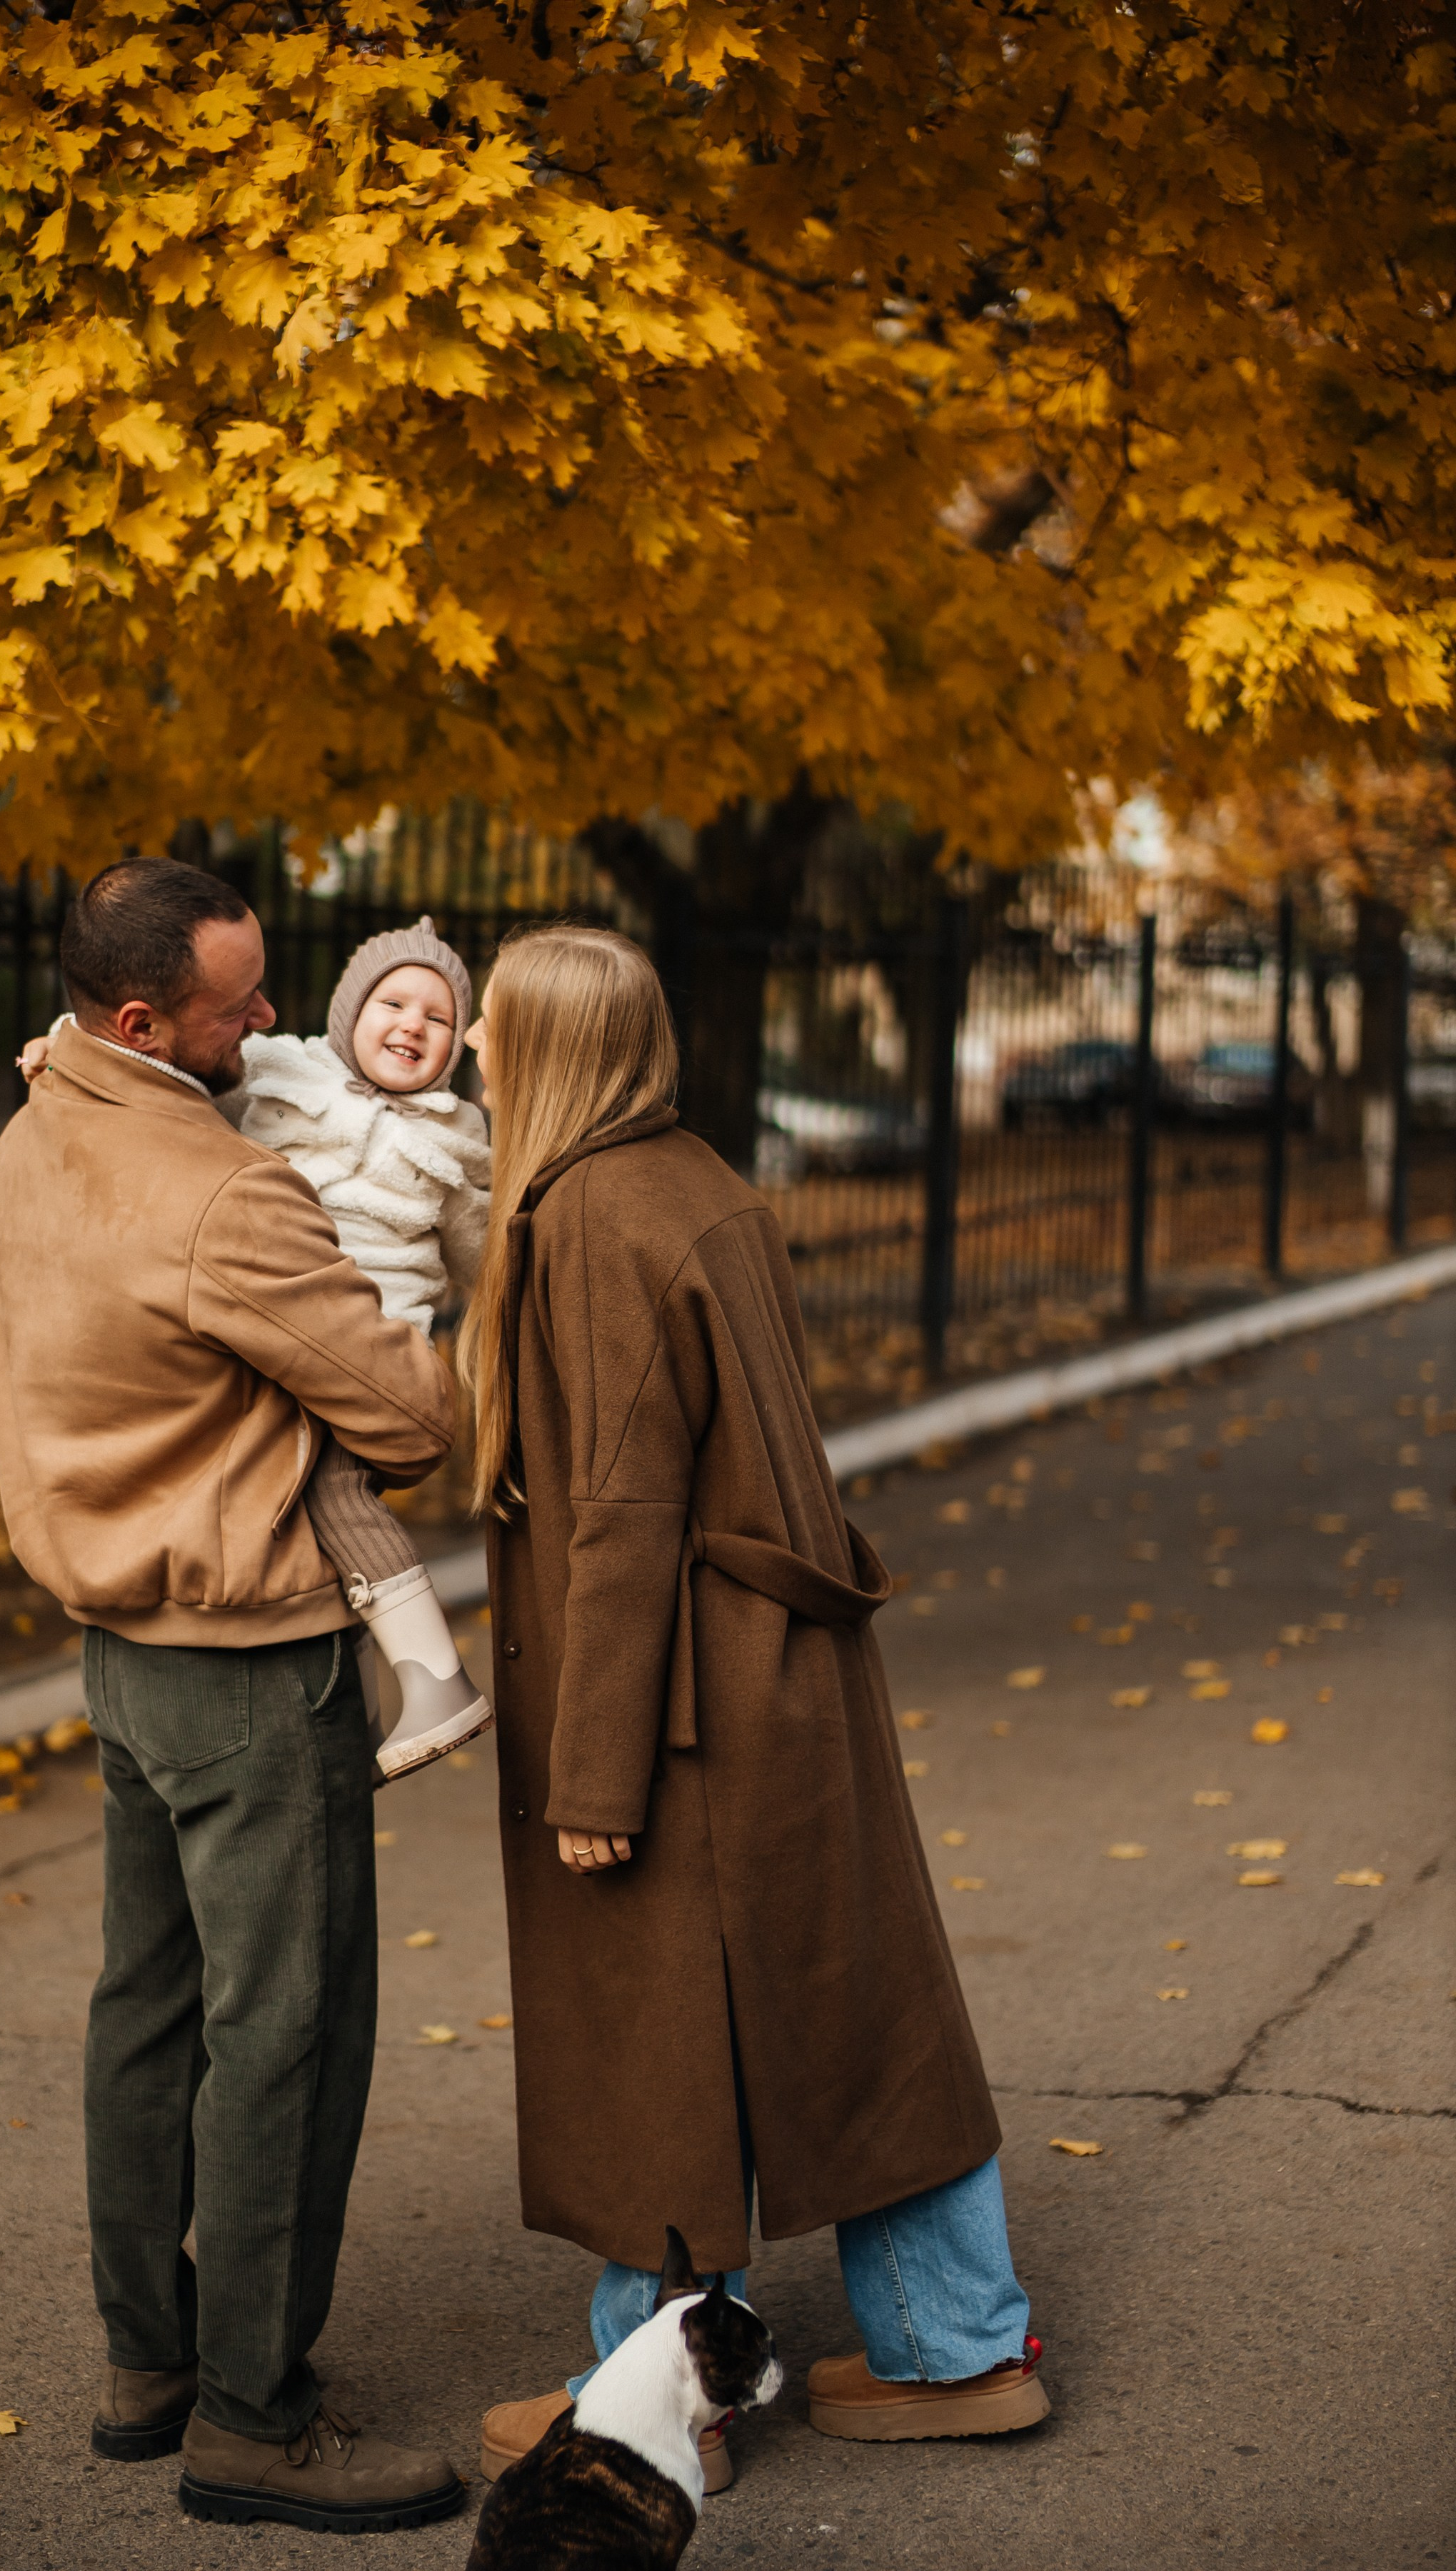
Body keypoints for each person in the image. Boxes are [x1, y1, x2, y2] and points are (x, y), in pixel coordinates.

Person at [456, 923, 1049, 2493]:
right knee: (860, 2023)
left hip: (682, 1705)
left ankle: (646, 2411)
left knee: (653, 2050)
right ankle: (957, 2345)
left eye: (490, 1031)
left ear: (551, 1053)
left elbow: (623, 1512)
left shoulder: (586, 1214)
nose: (466, 1052)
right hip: (776, 1678)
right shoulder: (694, 1177)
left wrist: (595, 1776)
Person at [0, 858, 466, 2537]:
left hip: (118, 1647)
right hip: (254, 1651)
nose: (267, 1018)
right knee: (289, 2031)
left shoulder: (36, 1124)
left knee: (149, 2004)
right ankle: (255, 2416)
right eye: (233, 1002)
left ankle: (148, 2364)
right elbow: (404, 1424)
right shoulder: (230, 1197)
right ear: (138, 1019)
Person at [23, 910, 493, 1783]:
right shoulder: (286, 1068)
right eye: (393, 1003)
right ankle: (377, 1687)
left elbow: (482, 1253)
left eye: (438, 1020)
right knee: (289, 1495)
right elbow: (154, 1079)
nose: (413, 1027)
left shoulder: (453, 1136)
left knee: (337, 1489)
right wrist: (60, 1047)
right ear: (350, 1013)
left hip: (369, 1340)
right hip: (263, 1318)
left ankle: (438, 1682)